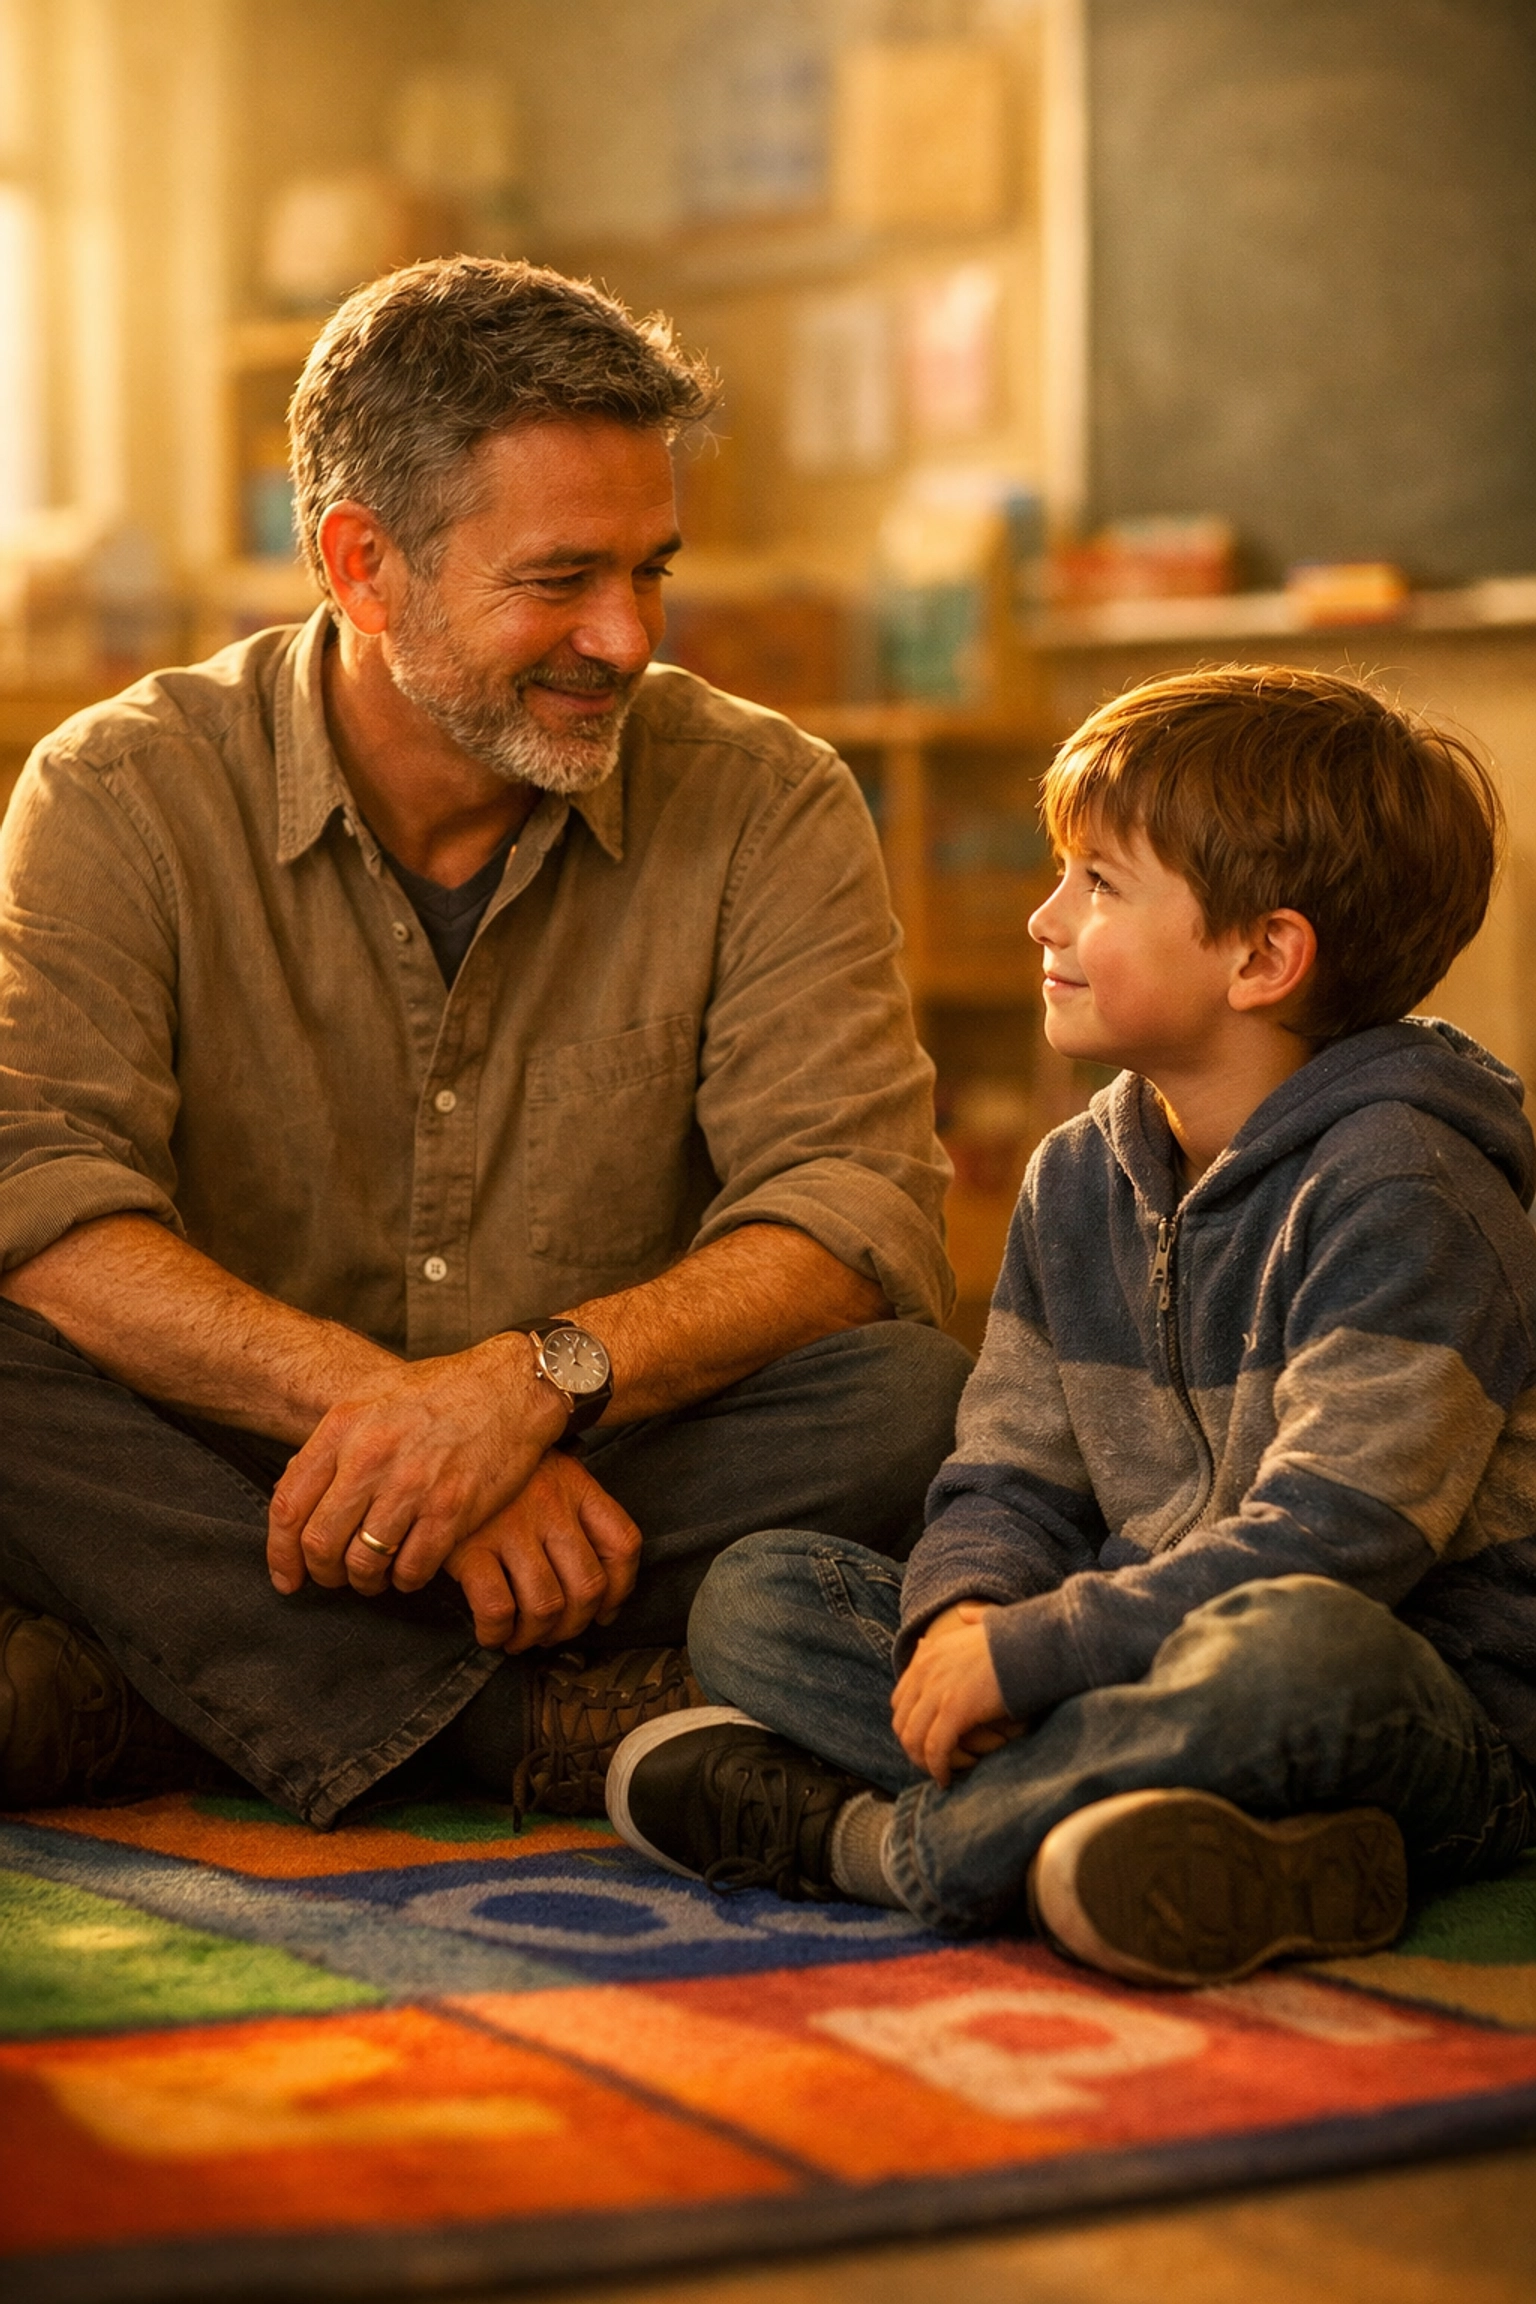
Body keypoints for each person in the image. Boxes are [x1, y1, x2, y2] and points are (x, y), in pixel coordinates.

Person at [0, 257, 969, 1828]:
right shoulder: (117, 792)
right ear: (361, 562)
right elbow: (41, 1199)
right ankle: (517, 1729)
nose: (627, 635)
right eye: (562, 578)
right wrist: (393, 1422)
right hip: (232, 1468)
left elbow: (853, 1216)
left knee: (908, 1408)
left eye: (654, 570)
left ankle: (158, 1693)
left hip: (600, 1468)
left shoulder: (768, 799)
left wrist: (528, 1391)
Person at [608, 665, 1536, 1987]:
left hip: (1425, 1717)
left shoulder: (1411, 1186)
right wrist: (962, 1621)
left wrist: (1038, 1653)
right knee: (760, 1594)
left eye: (1098, 885)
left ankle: (878, 1850)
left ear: (1262, 956)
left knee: (1291, 1651)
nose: (1045, 916)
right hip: (1126, 1664)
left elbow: (1336, 1550)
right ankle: (1213, 1843)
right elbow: (1010, 1470)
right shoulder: (1077, 1171)